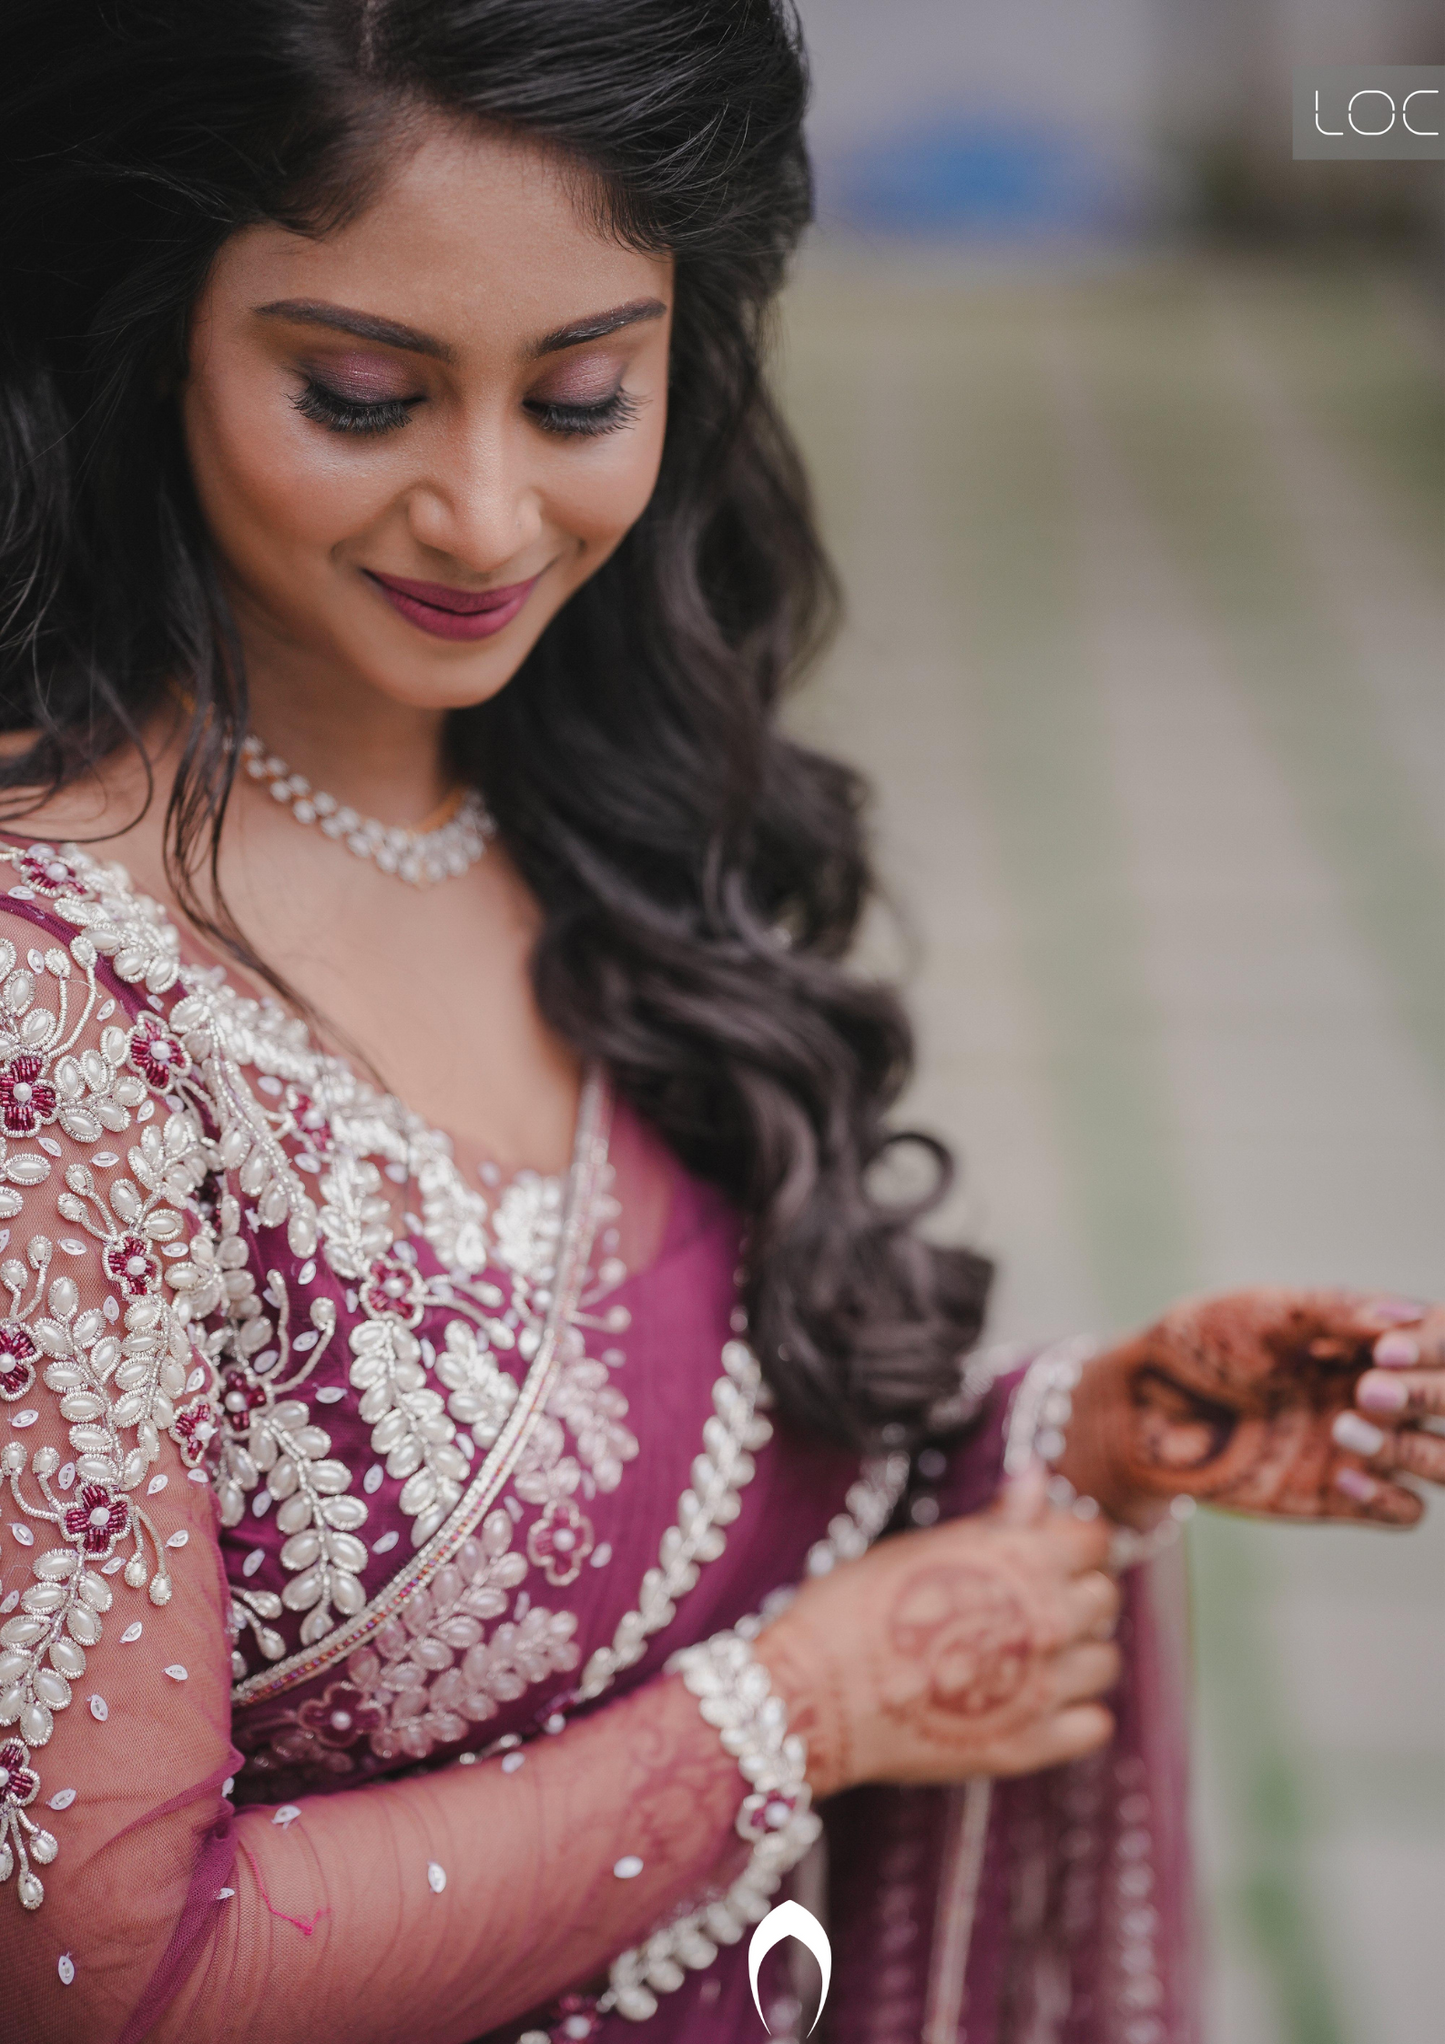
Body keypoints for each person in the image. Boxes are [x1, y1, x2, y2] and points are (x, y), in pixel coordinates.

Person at [0, 5, 1439, 2040]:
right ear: (146, 324)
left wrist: (1077, 1443)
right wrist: (797, 1714)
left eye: (582, 393)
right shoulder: (52, 1011)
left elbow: (676, 1488)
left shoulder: (588, 787)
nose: (488, 518)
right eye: (358, 392)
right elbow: (104, 1968)